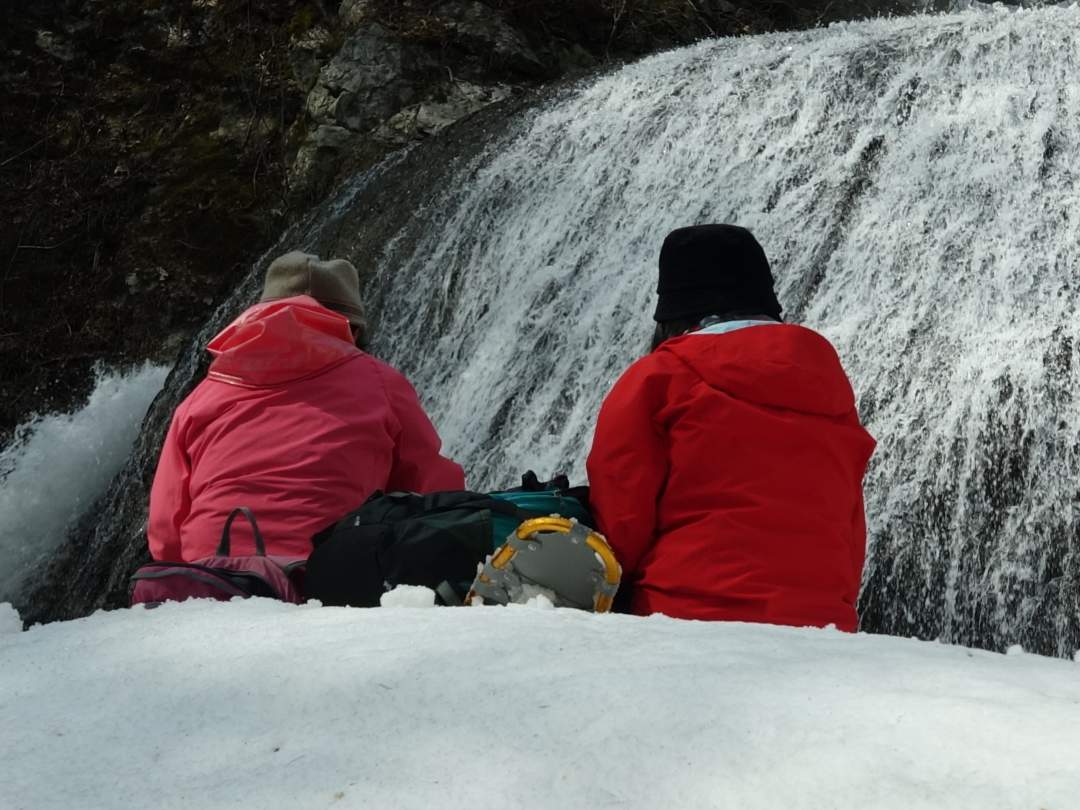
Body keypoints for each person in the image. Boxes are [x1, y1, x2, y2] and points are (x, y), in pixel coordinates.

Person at [586, 225, 876, 631]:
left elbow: (621, 523)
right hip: (822, 624)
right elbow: (848, 523)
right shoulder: (827, 381)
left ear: (673, 309)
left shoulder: (658, 377)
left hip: (684, 616)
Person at [148, 251, 465, 562]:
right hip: (322, 579)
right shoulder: (381, 383)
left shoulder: (204, 395)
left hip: (208, 582)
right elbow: (434, 492)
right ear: (351, 330)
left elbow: (165, 532)